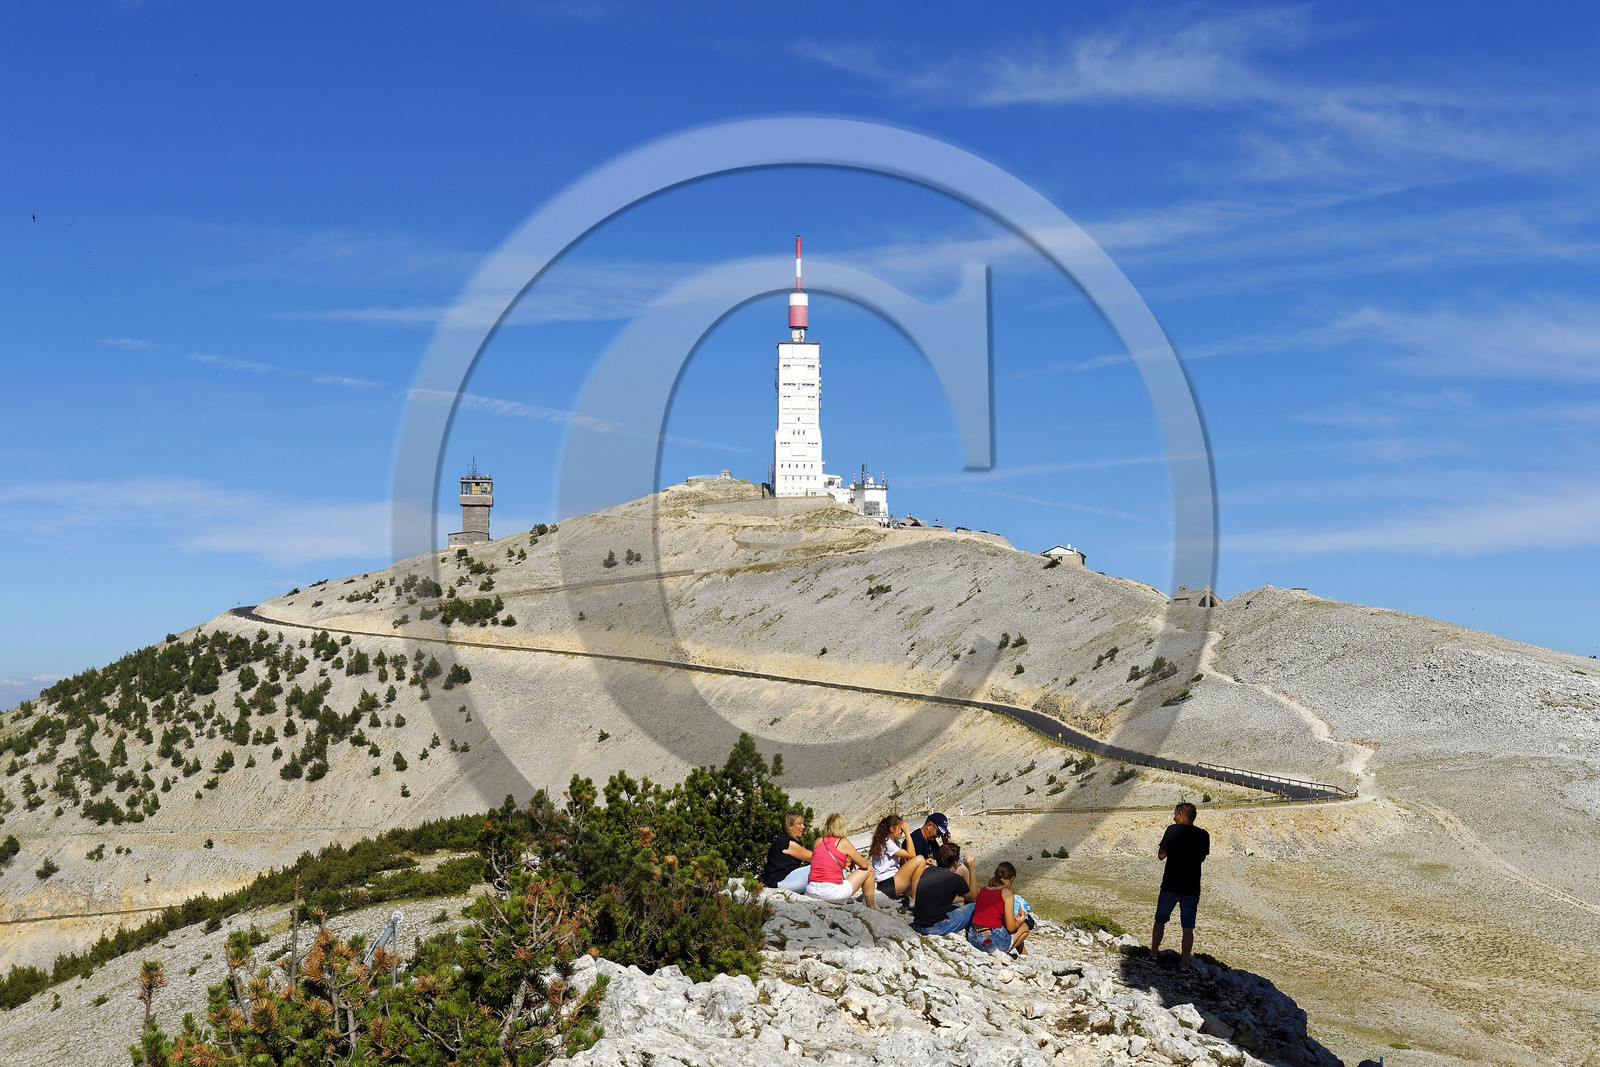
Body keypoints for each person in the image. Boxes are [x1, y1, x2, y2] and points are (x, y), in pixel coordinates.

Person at [1149, 801, 1210, 970]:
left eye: (1175, 814)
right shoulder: (1203, 835)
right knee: (1188, 927)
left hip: (1171, 884)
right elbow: (1202, 858)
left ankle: (1153, 954)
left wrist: (1172, 849)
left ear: (1181, 814)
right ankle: (1185, 964)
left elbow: (1161, 855)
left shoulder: (1172, 830)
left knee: (1160, 920)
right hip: (1192, 886)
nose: (1174, 817)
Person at [806, 813, 880, 909]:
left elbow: (824, 861)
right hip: (830, 894)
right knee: (869, 869)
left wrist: (842, 863)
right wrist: (852, 861)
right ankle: (871, 907)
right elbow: (864, 865)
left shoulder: (818, 841)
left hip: (811, 891)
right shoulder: (843, 842)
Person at [910, 841, 979, 935]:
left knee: (956, 906)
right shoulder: (955, 879)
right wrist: (972, 869)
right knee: (974, 906)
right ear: (955, 862)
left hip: (918, 924)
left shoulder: (928, 870)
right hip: (935, 927)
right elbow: (974, 897)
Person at [967, 861, 1034, 955]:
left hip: (973, 937)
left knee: (1005, 924)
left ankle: (1025, 955)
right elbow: (1011, 928)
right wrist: (1020, 920)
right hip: (989, 942)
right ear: (1012, 878)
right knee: (1024, 927)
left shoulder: (984, 889)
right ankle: (1003, 953)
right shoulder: (1006, 893)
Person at [868, 815, 928, 903]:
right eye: (900, 828)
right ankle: (913, 898)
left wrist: (922, 864)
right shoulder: (886, 842)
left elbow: (903, 863)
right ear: (892, 829)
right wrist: (907, 833)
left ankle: (915, 894)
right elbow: (912, 855)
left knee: (925, 868)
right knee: (920, 859)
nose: (902, 831)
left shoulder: (892, 842)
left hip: (891, 882)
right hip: (886, 884)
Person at [761, 810, 813, 894]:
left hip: (781, 880)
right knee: (821, 866)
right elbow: (813, 857)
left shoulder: (785, 839)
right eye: (799, 824)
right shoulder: (787, 843)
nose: (803, 827)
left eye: (803, 824)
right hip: (780, 882)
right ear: (790, 826)